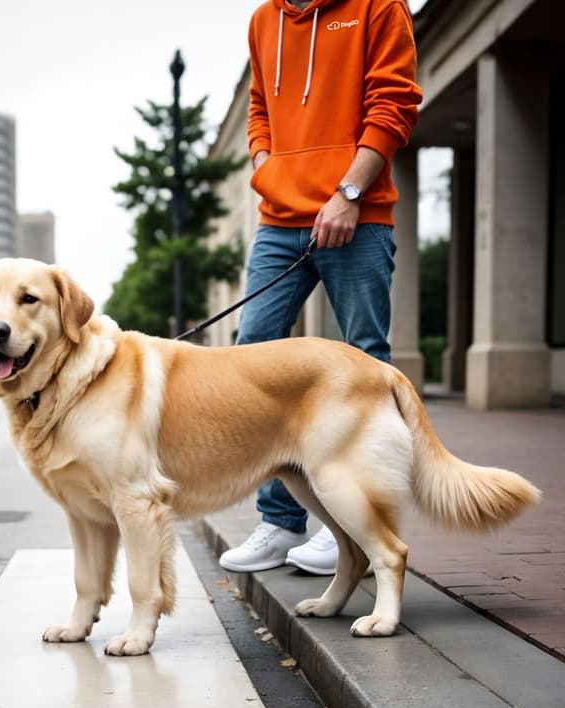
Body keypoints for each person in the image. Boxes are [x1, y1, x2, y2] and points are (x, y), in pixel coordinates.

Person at [218, 0, 422, 575]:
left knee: (364, 362)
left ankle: (358, 524)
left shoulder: (378, 7)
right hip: (279, 220)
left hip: (358, 213)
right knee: (255, 360)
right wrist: (268, 168)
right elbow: (260, 110)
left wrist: (349, 193)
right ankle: (281, 521)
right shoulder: (265, 20)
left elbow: (394, 104)